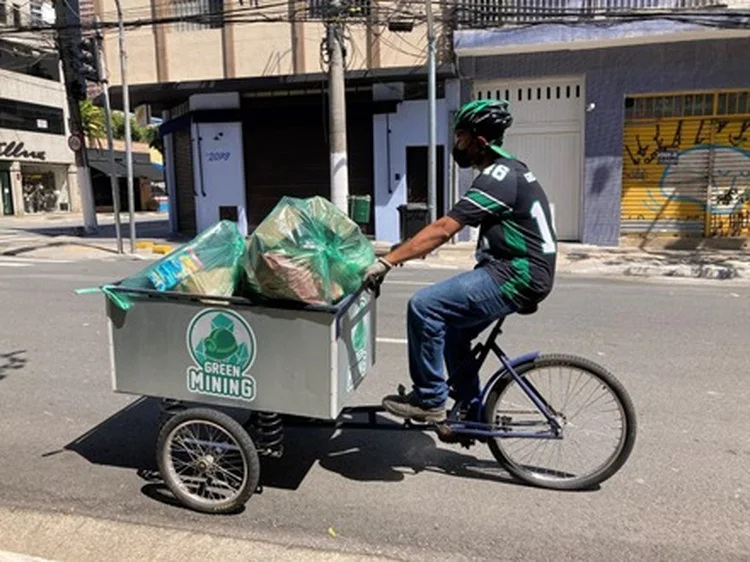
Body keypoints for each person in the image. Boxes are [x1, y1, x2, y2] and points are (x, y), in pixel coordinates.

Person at [363, 99, 558, 423]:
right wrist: (403, 248)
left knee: (425, 306)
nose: (457, 145)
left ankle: (429, 400)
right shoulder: (511, 171)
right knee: (454, 331)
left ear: (480, 142)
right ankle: (471, 409)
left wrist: (388, 262)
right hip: (519, 272)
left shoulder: (498, 176)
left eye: (462, 137)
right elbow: (438, 231)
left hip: (515, 274)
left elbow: (444, 229)